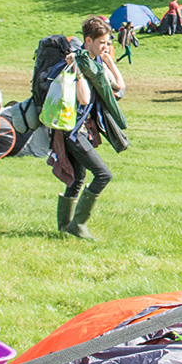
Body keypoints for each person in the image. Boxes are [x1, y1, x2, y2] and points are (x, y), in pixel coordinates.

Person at [57, 16, 128, 240]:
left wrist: (108, 61)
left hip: (77, 131)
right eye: (102, 43)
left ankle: (64, 228)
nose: (105, 47)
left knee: (78, 178)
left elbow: (119, 85)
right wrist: (78, 70)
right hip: (73, 132)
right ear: (88, 40)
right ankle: (77, 225)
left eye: (108, 43)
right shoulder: (80, 63)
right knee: (103, 175)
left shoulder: (95, 64)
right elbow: (85, 99)